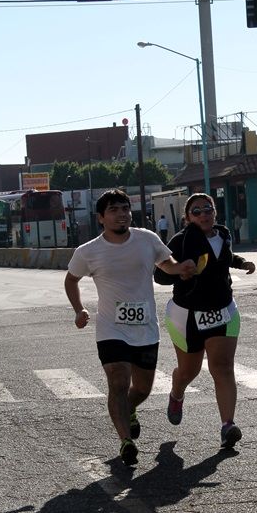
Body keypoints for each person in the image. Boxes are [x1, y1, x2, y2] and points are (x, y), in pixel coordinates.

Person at [64, 189, 196, 466]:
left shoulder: (147, 239)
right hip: (111, 328)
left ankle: (129, 410)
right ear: (101, 217)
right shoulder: (87, 251)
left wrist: (181, 268)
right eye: (113, 210)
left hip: (145, 328)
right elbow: (71, 280)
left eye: (124, 208)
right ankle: (126, 441)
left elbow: (167, 264)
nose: (121, 214)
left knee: (143, 389)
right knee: (118, 382)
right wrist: (79, 309)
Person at [154, 193, 256, 449]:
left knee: (222, 367)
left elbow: (225, 257)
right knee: (190, 370)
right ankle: (177, 393)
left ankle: (227, 426)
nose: (203, 214)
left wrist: (242, 262)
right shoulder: (181, 240)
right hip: (187, 314)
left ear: (215, 212)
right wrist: (180, 273)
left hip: (223, 310)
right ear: (187, 217)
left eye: (207, 209)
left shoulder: (223, 234)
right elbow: (160, 275)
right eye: (196, 211)